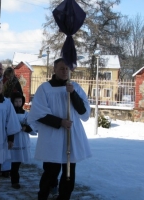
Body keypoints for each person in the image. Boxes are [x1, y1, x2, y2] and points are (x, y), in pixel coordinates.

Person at [27, 58, 92, 200]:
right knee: (51, 170)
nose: (64, 71)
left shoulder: (75, 87)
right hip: (52, 134)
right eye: (61, 68)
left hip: (71, 134)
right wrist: (60, 122)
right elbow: (38, 113)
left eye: (67, 69)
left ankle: (64, 197)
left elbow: (83, 111)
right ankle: (43, 195)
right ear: (54, 70)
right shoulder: (45, 88)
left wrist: (73, 93)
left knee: (69, 170)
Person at [9, 92, 34, 189]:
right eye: (16, 101)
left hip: (21, 139)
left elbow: (31, 125)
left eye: (20, 101)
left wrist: (26, 128)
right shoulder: (10, 113)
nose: (18, 103)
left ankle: (14, 179)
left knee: (17, 161)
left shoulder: (26, 114)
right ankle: (11, 177)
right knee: (10, 159)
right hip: (12, 138)